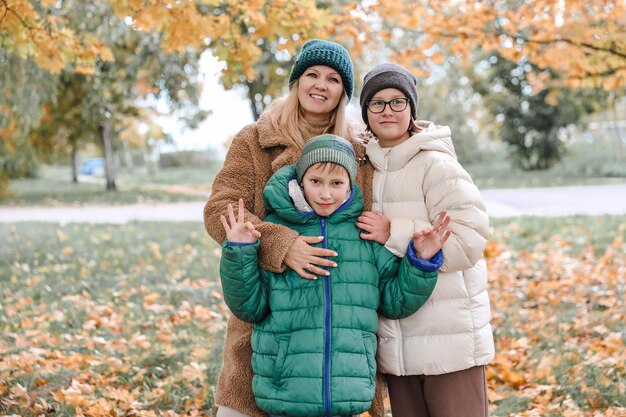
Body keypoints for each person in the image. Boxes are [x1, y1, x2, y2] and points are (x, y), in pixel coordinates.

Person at [204, 40, 382, 417]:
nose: (321, 85)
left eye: (333, 79)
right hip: (269, 312)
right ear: (296, 81)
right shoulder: (256, 140)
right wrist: (281, 245)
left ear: (343, 92)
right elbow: (221, 208)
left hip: (339, 324)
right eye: (312, 75)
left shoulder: (362, 149)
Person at [218, 134, 449, 417]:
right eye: (316, 182)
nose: (326, 194)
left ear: (350, 184)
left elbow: (395, 302)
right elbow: (249, 306)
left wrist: (420, 263)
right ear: (300, 182)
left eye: (336, 183)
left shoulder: (365, 235)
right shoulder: (278, 232)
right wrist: (240, 252)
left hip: (347, 390)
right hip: (284, 390)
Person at [355, 63, 494, 417]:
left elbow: (469, 239)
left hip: (450, 340)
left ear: (411, 109)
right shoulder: (361, 169)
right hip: (397, 346)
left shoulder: (436, 165)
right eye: (377, 103)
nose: (388, 110)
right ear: (365, 112)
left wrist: (394, 232)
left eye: (398, 101)